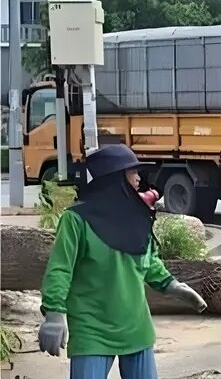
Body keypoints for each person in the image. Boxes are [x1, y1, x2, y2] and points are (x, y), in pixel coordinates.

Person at [38, 144, 208, 379]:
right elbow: (60, 269)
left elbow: (148, 260)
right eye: (132, 173)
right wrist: (54, 314)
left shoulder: (137, 216)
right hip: (92, 329)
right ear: (114, 179)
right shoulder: (75, 220)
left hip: (135, 326)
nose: (139, 179)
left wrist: (172, 285)